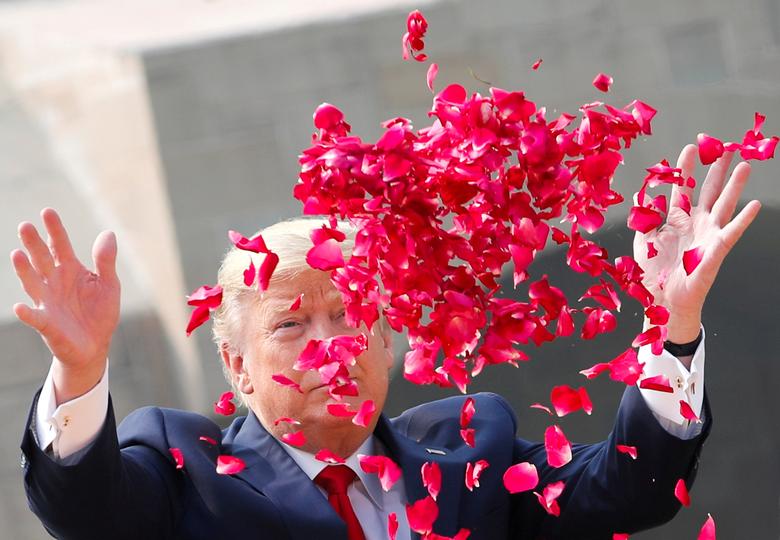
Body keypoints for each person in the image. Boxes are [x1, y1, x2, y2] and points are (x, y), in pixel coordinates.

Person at [13, 145, 760, 539]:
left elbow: (633, 490)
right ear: (238, 367)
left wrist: (673, 324)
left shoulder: (474, 447)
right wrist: (80, 368)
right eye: (291, 324)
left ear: (389, 339)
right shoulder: (185, 474)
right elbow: (88, 512)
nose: (331, 344)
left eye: (349, 315)